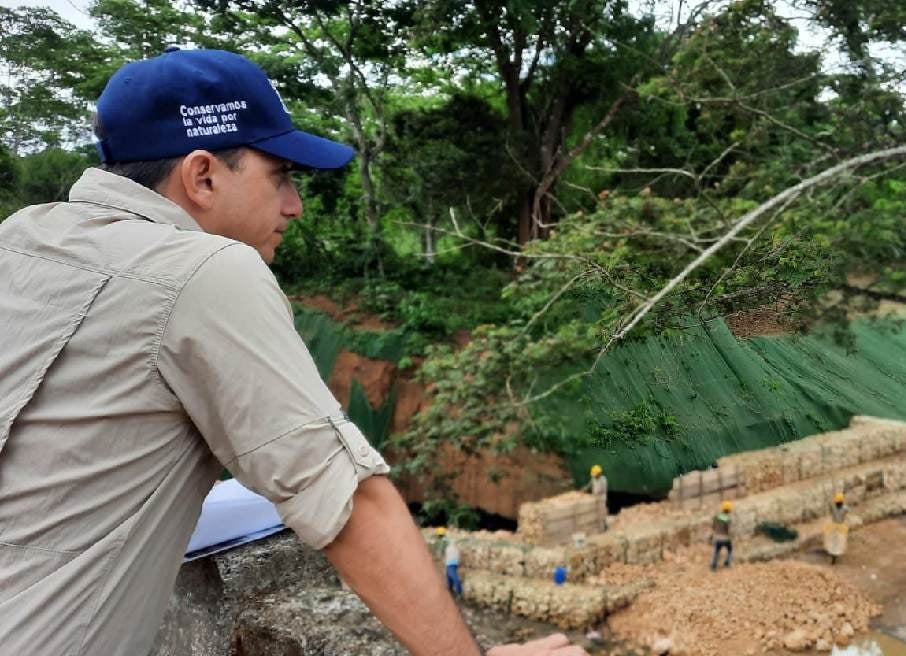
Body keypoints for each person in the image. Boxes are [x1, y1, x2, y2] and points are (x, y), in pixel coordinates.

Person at [0, 48, 585, 656]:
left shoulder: (20, 239)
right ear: (203, 176)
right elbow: (347, 501)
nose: (294, 206)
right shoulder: (203, 270)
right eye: (279, 176)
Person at [435, 527, 463, 598]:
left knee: (453, 576)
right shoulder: (448, 540)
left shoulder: (443, 541)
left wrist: (437, 557)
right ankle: (450, 592)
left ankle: (459, 592)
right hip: (454, 559)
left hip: (451, 560)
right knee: (448, 576)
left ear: (439, 535)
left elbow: (439, 552)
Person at [823, 490, 850, 564]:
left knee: (834, 539)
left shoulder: (833, 506)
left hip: (834, 525)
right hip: (840, 525)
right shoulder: (845, 508)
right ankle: (835, 554)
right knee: (838, 540)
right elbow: (847, 511)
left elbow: (830, 506)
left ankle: (833, 554)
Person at [710, 500, 734, 570]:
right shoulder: (728, 519)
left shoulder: (716, 516)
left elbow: (713, 526)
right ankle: (727, 563)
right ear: (729, 510)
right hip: (726, 538)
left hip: (717, 538)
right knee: (730, 550)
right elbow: (728, 530)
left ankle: (713, 565)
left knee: (716, 551)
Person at [585, 464, 609, 532]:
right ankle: (600, 526)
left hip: (601, 498)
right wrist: (585, 489)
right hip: (595, 497)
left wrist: (595, 494)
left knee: (601, 512)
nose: (594, 475)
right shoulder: (594, 478)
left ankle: (604, 528)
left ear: (599, 473)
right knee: (596, 512)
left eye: (595, 474)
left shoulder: (603, 480)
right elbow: (590, 484)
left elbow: (602, 489)